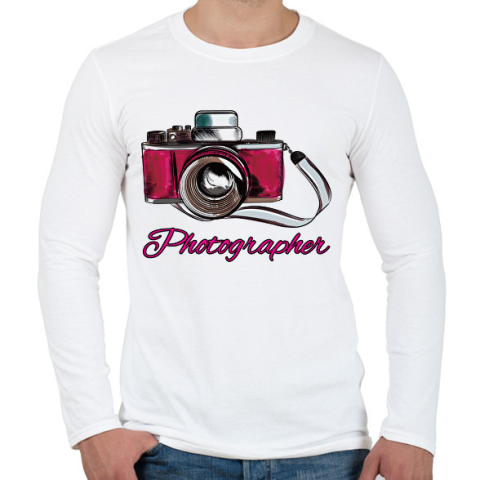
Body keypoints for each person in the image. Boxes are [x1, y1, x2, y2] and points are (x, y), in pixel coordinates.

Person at [37, 0, 446, 479]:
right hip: (165, 443)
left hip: (328, 444)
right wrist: (91, 425)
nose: (215, 176)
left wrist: (412, 428)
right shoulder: (115, 71)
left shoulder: (360, 73)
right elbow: (66, 253)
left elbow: (413, 256)